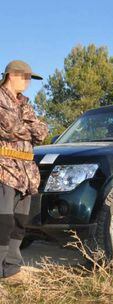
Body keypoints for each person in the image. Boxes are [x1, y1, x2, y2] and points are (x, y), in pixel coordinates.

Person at [0, 60, 48, 283]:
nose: (28, 82)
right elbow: (8, 127)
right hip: (5, 168)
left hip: (26, 172)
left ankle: (11, 268)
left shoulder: (25, 104)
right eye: (26, 77)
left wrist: (27, 128)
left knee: (20, 221)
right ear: (12, 75)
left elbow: (41, 132)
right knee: (4, 220)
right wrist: (27, 128)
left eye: (30, 78)